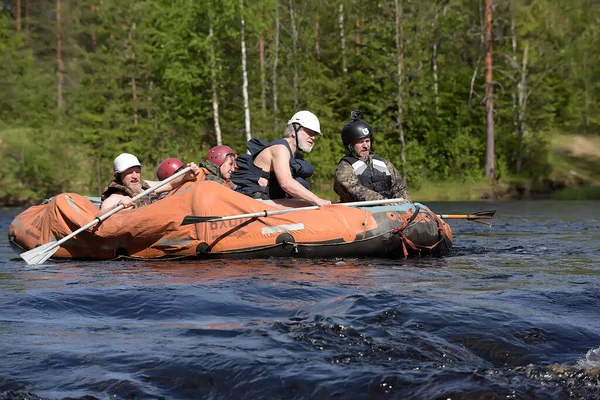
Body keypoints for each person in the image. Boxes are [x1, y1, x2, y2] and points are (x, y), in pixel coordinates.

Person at [231, 110, 331, 206]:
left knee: (308, 204)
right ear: (294, 131)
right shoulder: (280, 149)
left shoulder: (295, 155)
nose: (313, 137)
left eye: (315, 134)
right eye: (309, 132)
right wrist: (318, 200)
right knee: (309, 206)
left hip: (268, 200)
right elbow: (286, 183)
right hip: (255, 201)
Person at [334, 110, 412, 203]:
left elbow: (400, 188)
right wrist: (385, 202)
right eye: (361, 142)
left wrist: (405, 203)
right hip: (359, 212)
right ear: (350, 145)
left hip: (387, 211)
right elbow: (356, 191)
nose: (365, 145)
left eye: (367, 141)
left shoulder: (385, 164)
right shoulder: (344, 168)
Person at [98, 153, 200, 217]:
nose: (135, 176)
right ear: (118, 176)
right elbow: (100, 214)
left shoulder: (145, 186)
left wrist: (187, 176)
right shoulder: (116, 196)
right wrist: (117, 206)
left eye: (137, 171)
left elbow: (169, 183)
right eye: (129, 173)